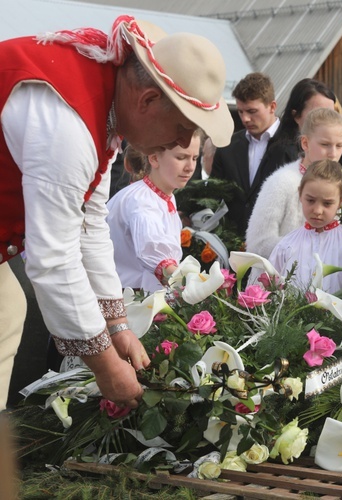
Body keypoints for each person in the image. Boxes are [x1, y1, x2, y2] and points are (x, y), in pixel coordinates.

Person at [0, 17, 233, 411]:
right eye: (181, 128)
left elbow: (90, 224)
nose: (182, 143)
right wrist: (105, 365)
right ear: (146, 101)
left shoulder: (105, 109)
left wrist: (117, 325)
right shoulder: (69, 124)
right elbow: (53, 257)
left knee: (7, 311)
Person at [107, 131, 202, 292]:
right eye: (181, 158)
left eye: (194, 158)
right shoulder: (142, 202)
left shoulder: (160, 195)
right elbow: (155, 255)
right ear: (154, 158)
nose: (190, 167)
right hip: (128, 297)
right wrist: (191, 288)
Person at [246, 107, 342, 258]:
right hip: (277, 278)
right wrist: (307, 248)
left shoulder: (338, 183)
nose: (333, 154)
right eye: (325, 145)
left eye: (339, 146)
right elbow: (257, 244)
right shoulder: (281, 182)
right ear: (305, 143)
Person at [269, 160, 342, 294]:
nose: (317, 210)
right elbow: (271, 288)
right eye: (310, 200)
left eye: (327, 203)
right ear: (300, 194)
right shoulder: (286, 245)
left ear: (341, 201)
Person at [211, 73, 280, 232]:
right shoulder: (227, 146)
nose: (245, 119)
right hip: (233, 244)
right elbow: (213, 196)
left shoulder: (294, 144)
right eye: (241, 111)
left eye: (252, 111)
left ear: (272, 106)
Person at [260, 78, 342, 172]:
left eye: (330, 113)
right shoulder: (282, 154)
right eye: (317, 114)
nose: (326, 120)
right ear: (296, 115)